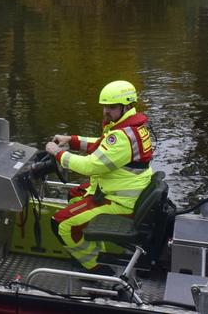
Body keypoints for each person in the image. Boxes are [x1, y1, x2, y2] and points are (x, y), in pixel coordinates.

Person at [44, 80, 154, 274]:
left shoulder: (122, 136)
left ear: (126, 105)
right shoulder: (130, 127)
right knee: (75, 195)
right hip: (123, 194)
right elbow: (103, 146)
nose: (106, 112)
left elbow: (90, 166)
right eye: (104, 106)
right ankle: (95, 250)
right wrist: (72, 141)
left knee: (61, 224)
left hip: (120, 202)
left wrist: (58, 154)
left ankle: (95, 269)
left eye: (111, 107)